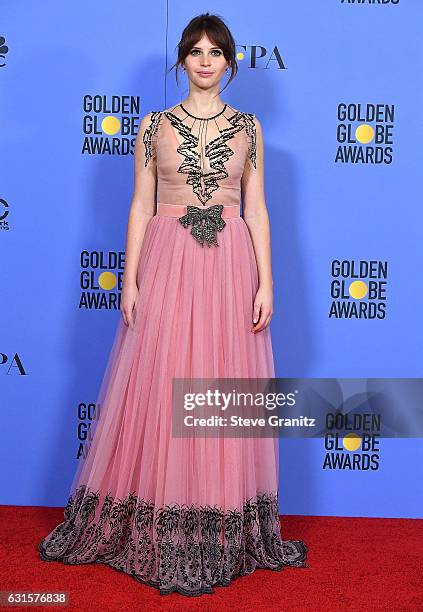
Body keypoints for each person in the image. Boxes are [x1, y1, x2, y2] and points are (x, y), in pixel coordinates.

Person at [38, 13, 308, 596]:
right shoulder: (153, 126)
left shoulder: (250, 130)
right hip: (166, 261)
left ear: (231, 64)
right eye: (195, 51)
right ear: (181, 60)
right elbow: (140, 205)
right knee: (161, 382)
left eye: (216, 51)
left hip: (230, 266)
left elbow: (256, 210)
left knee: (219, 381)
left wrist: (268, 281)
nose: (205, 60)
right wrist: (129, 279)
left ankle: (220, 527)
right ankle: (159, 520)